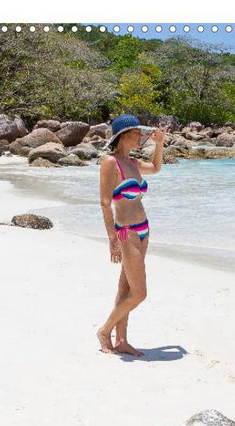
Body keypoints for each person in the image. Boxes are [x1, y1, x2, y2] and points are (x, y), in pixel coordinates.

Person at [95, 114, 165, 356]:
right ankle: (105, 330)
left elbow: (155, 167)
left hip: (144, 229)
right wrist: (112, 240)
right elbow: (105, 204)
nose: (140, 137)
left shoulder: (134, 163)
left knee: (126, 289)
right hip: (125, 232)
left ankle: (121, 340)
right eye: (137, 133)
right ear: (123, 135)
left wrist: (159, 143)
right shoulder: (110, 163)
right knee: (139, 293)